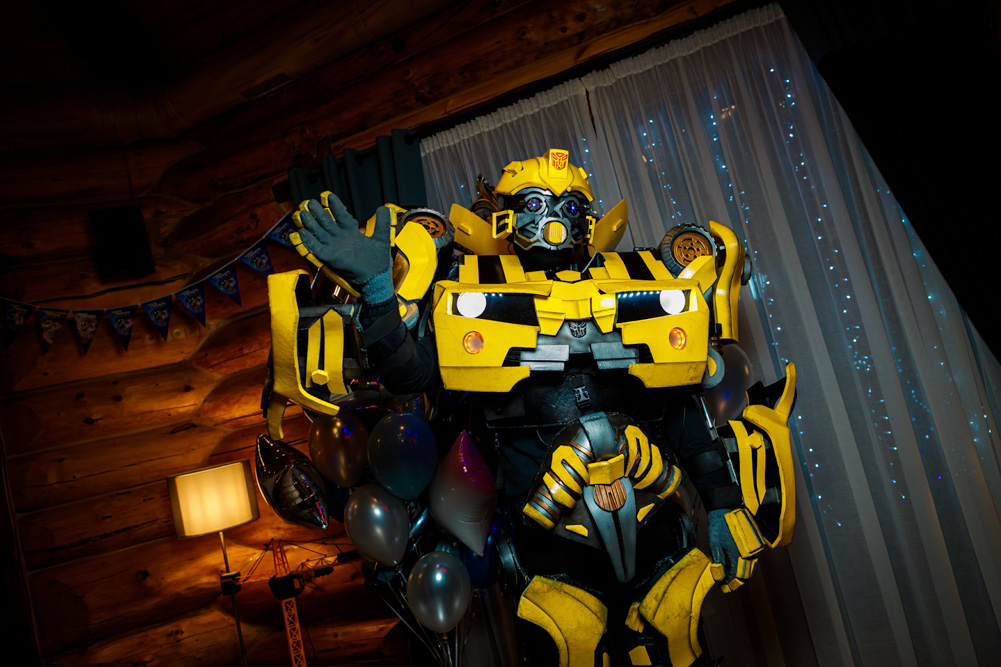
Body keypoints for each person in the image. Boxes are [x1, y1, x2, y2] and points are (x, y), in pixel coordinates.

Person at [284, 149, 797, 666]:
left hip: (655, 522)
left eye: (570, 205)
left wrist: (722, 501)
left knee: (678, 646)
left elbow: (679, 404)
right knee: (571, 646)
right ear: (508, 214)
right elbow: (411, 375)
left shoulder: (639, 279)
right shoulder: (472, 286)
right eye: (535, 203)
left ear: (588, 217)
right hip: (551, 540)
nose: (553, 218)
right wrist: (379, 291)